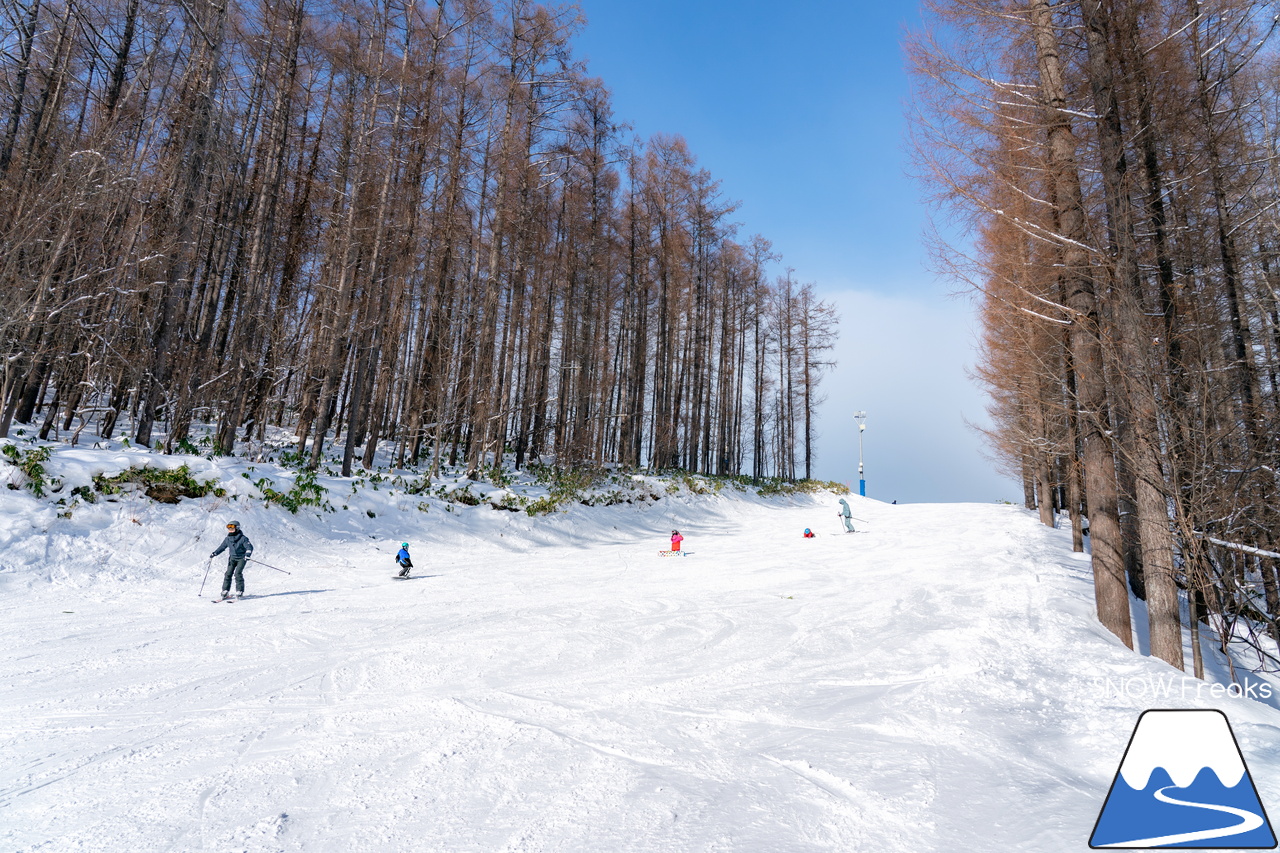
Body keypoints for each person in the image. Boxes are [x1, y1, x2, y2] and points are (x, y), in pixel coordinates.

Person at [210, 520, 254, 599]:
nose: (230, 530)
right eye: (229, 528)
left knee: (237, 573)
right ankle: (225, 590)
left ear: (237, 529)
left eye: (232, 528)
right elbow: (222, 547)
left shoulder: (243, 538)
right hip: (232, 558)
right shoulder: (228, 539)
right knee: (228, 573)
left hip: (242, 558)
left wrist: (247, 554)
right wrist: (215, 553)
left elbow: (249, 547)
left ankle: (239, 591)